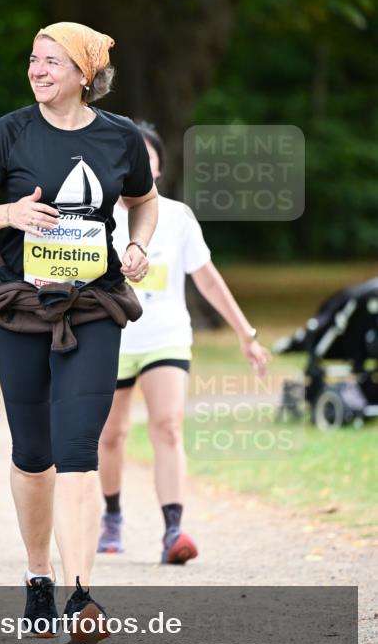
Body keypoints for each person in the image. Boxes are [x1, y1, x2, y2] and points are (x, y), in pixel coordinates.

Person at [0, 22, 157, 644]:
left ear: (85, 74)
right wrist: (10, 214)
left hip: (93, 305)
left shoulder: (119, 137)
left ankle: (81, 593)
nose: (37, 71)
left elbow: (145, 199)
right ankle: (39, 575)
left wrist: (138, 244)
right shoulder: (9, 132)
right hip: (17, 307)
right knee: (35, 452)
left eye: (51, 62)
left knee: (79, 447)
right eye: (32, 60)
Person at [97, 121, 271, 563]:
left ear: (155, 169)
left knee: (169, 427)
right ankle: (112, 516)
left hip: (166, 337)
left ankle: (173, 530)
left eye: (144, 157)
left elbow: (207, 279)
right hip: (111, 340)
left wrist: (245, 334)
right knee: (110, 436)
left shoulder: (176, 217)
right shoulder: (94, 218)